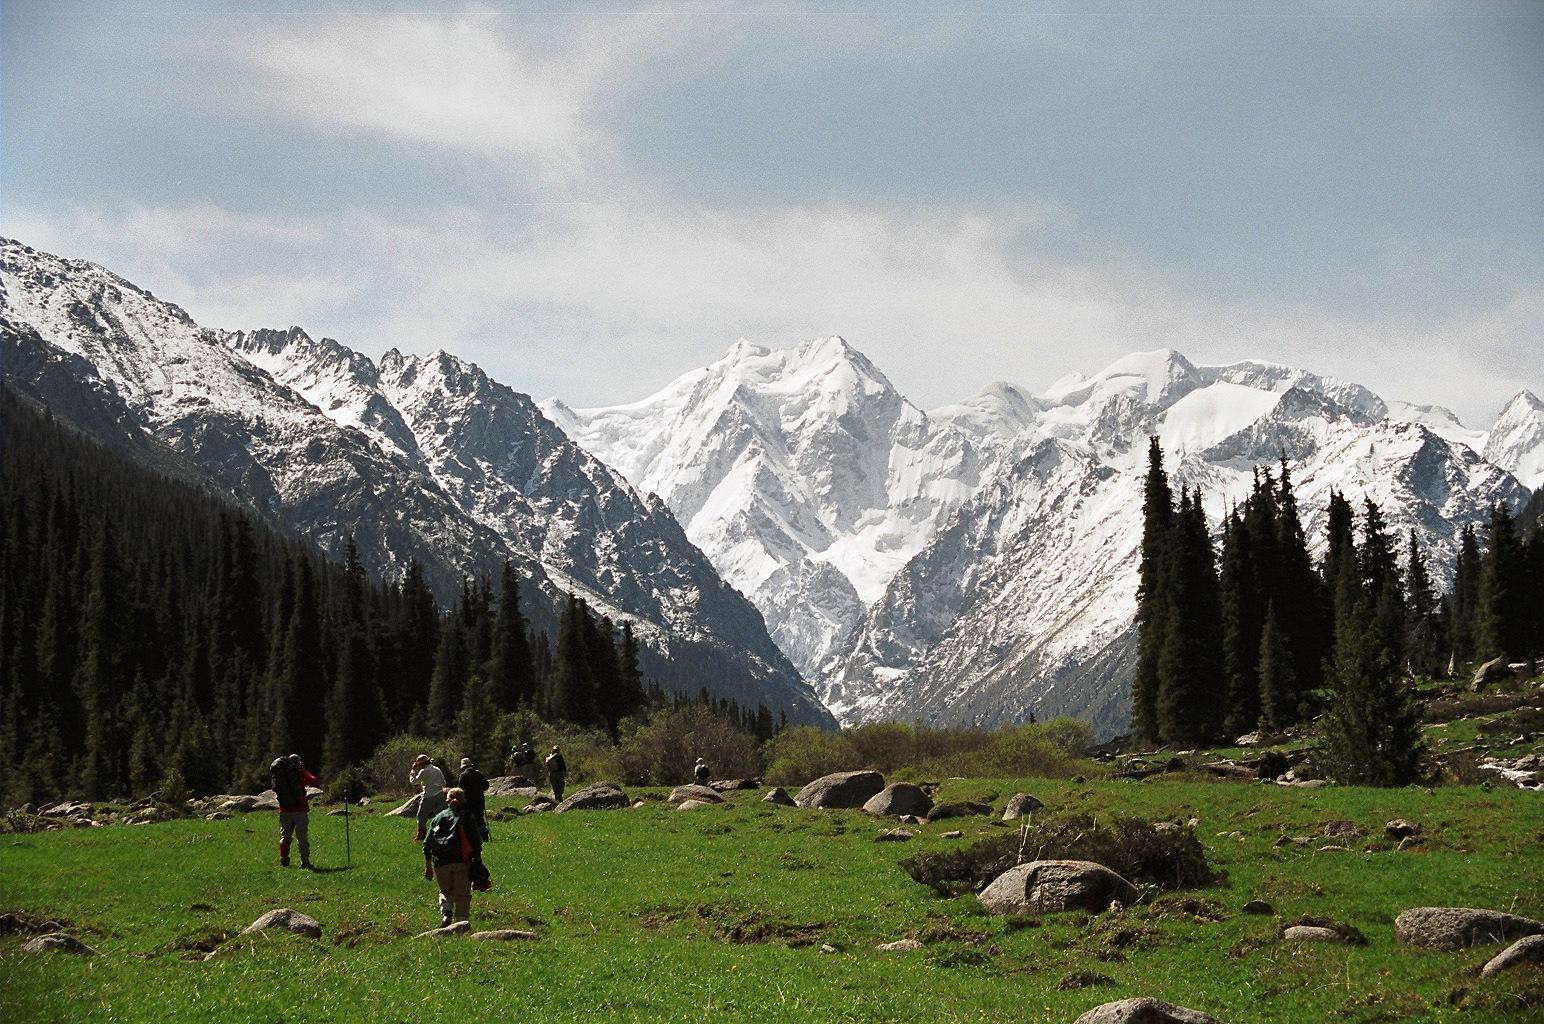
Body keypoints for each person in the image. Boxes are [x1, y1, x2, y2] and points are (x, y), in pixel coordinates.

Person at [422, 787, 483, 927]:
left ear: (447, 800)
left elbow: (427, 843)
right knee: (462, 895)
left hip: (440, 863)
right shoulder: (467, 816)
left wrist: (428, 866)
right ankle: (460, 926)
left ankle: (446, 913)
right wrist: (477, 860)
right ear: (463, 800)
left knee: (445, 891)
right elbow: (476, 841)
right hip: (462, 861)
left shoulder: (437, 818)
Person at [270, 753, 318, 869]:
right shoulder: (298, 773)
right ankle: (305, 862)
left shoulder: (282, 773)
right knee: (302, 837)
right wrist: (303, 770)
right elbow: (313, 781)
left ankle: (284, 858)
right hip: (300, 809)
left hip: (285, 809)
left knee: (285, 836)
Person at [410, 753, 447, 842]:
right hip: (440, 795)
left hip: (429, 795)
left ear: (422, 764)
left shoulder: (424, 771)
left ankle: (422, 834)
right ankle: (442, 833)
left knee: (421, 816)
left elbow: (414, 782)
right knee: (440, 816)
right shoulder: (437, 769)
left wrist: (412, 771)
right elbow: (444, 783)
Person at [457, 756, 491, 840]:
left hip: (468, 801)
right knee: (479, 818)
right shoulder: (478, 774)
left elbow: (460, 790)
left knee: (468, 819)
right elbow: (486, 786)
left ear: (463, 767)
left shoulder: (463, 776)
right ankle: (484, 835)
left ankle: (471, 836)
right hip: (480, 800)